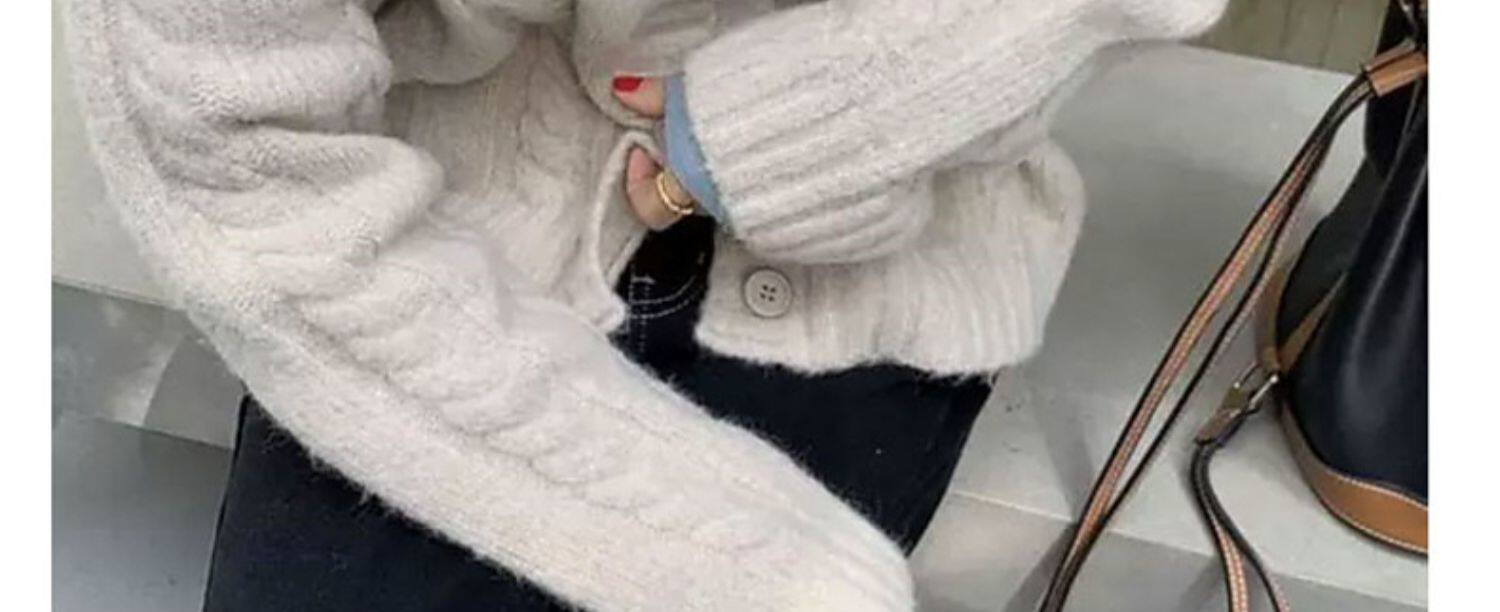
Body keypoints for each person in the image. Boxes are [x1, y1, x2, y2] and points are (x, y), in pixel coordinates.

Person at [65, 0, 1227, 609]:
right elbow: (238, 152)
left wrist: (838, 113)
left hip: (896, 225)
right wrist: (748, 558)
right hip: (421, 228)